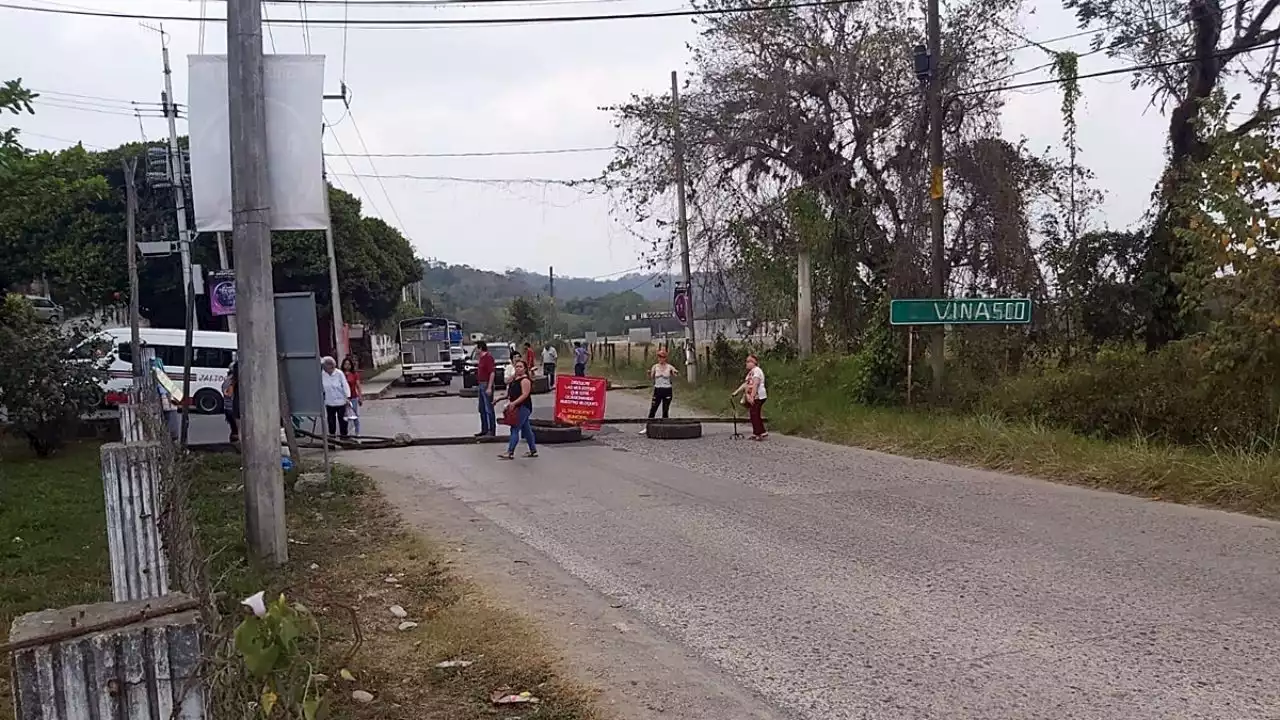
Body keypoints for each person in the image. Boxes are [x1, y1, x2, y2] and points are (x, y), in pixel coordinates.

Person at [499, 359, 537, 460]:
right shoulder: (514, 380)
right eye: (516, 367)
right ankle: (533, 450)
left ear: (525, 369)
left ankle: (510, 452)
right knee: (526, 429)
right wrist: (498, 399)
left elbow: (525, 395)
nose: (518, 368)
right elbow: (508, 392)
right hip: (515, 406)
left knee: (515, 428)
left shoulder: (525, 380)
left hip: (523, 407)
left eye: (520, 367)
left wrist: (514, 403)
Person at [640, 348, 680, 435]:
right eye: (659, 357)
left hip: (667, 390)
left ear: (665, 358)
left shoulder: (669, 367)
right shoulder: (655, 366)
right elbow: (651, 378)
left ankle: (665, 428)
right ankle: (648, 427)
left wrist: (675, 372)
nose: (661, 359)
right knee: (653, 409)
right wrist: (648, 374)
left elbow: (675, 373)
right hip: (658, 389)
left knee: (665, 410)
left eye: (662, 357)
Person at [731, 354, 768, 441]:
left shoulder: (757, 371)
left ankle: (759, 433)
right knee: (754, 414)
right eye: (746, 361)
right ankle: (759, 432)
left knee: (754, 414)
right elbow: (746, 384)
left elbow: (755, 383)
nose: (746, 363)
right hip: (754, 396)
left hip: (759, 396)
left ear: (754, 362)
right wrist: (736, 392)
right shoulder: (750, 373)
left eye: (748, 361)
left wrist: (752, 396)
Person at [321, 355, 352, 438]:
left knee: (342, 420)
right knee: (331, 421)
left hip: (341, 401)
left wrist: (348, 397)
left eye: (325, 365)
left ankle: (344, 437)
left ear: (331, 365)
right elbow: (321, 387)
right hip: (329, 402)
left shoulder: (339, 373)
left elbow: (345, 385)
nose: (323, 367)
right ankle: (332, 437)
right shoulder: (323, 374)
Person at [474, 341, 497, 437]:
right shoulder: (481, 358)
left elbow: (492, 372)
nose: (475, 350)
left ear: (480, 348)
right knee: (481, 408)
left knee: (489, 408)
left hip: (486, 384)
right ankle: (484, 429)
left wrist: (489, 387)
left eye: (476, 348)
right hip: (480, 384)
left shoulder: (488, 358)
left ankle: (491, 430)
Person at [341, 356, 362, 436]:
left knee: (354, 415)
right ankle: (346, 433)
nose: (347, 366)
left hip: (353, 397)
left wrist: (360, 397)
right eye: (345, 364)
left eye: (348, 364)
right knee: (344, 416)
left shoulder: (354, 374)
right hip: (343, 398)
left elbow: (358, 386)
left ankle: (357, 432)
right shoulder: (340, 374)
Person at [222, 361, 239, 442]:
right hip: (232, 409)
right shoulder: (232, 381)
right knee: (237, 431)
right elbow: (229, 394)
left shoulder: (227, 380)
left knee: (234, 430)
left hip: (228, 409)